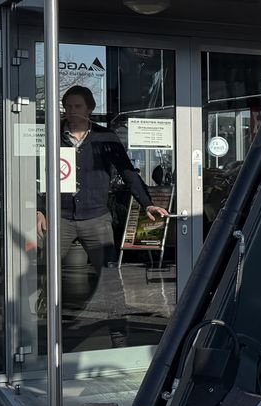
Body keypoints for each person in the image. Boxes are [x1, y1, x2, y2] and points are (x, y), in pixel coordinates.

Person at [37, 85, 168, 348]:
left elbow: (127, 171)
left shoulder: (105, 137)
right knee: (44, 276)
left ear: (89, 109)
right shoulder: (51, 136)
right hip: (59, 216)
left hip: (96, 217)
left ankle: (118, 338)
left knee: (110, 280)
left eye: (77, 106)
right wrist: (38, 208)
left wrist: (147, 204)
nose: (71, 112)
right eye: (68, 106)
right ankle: (42, 340)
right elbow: (34, 170)